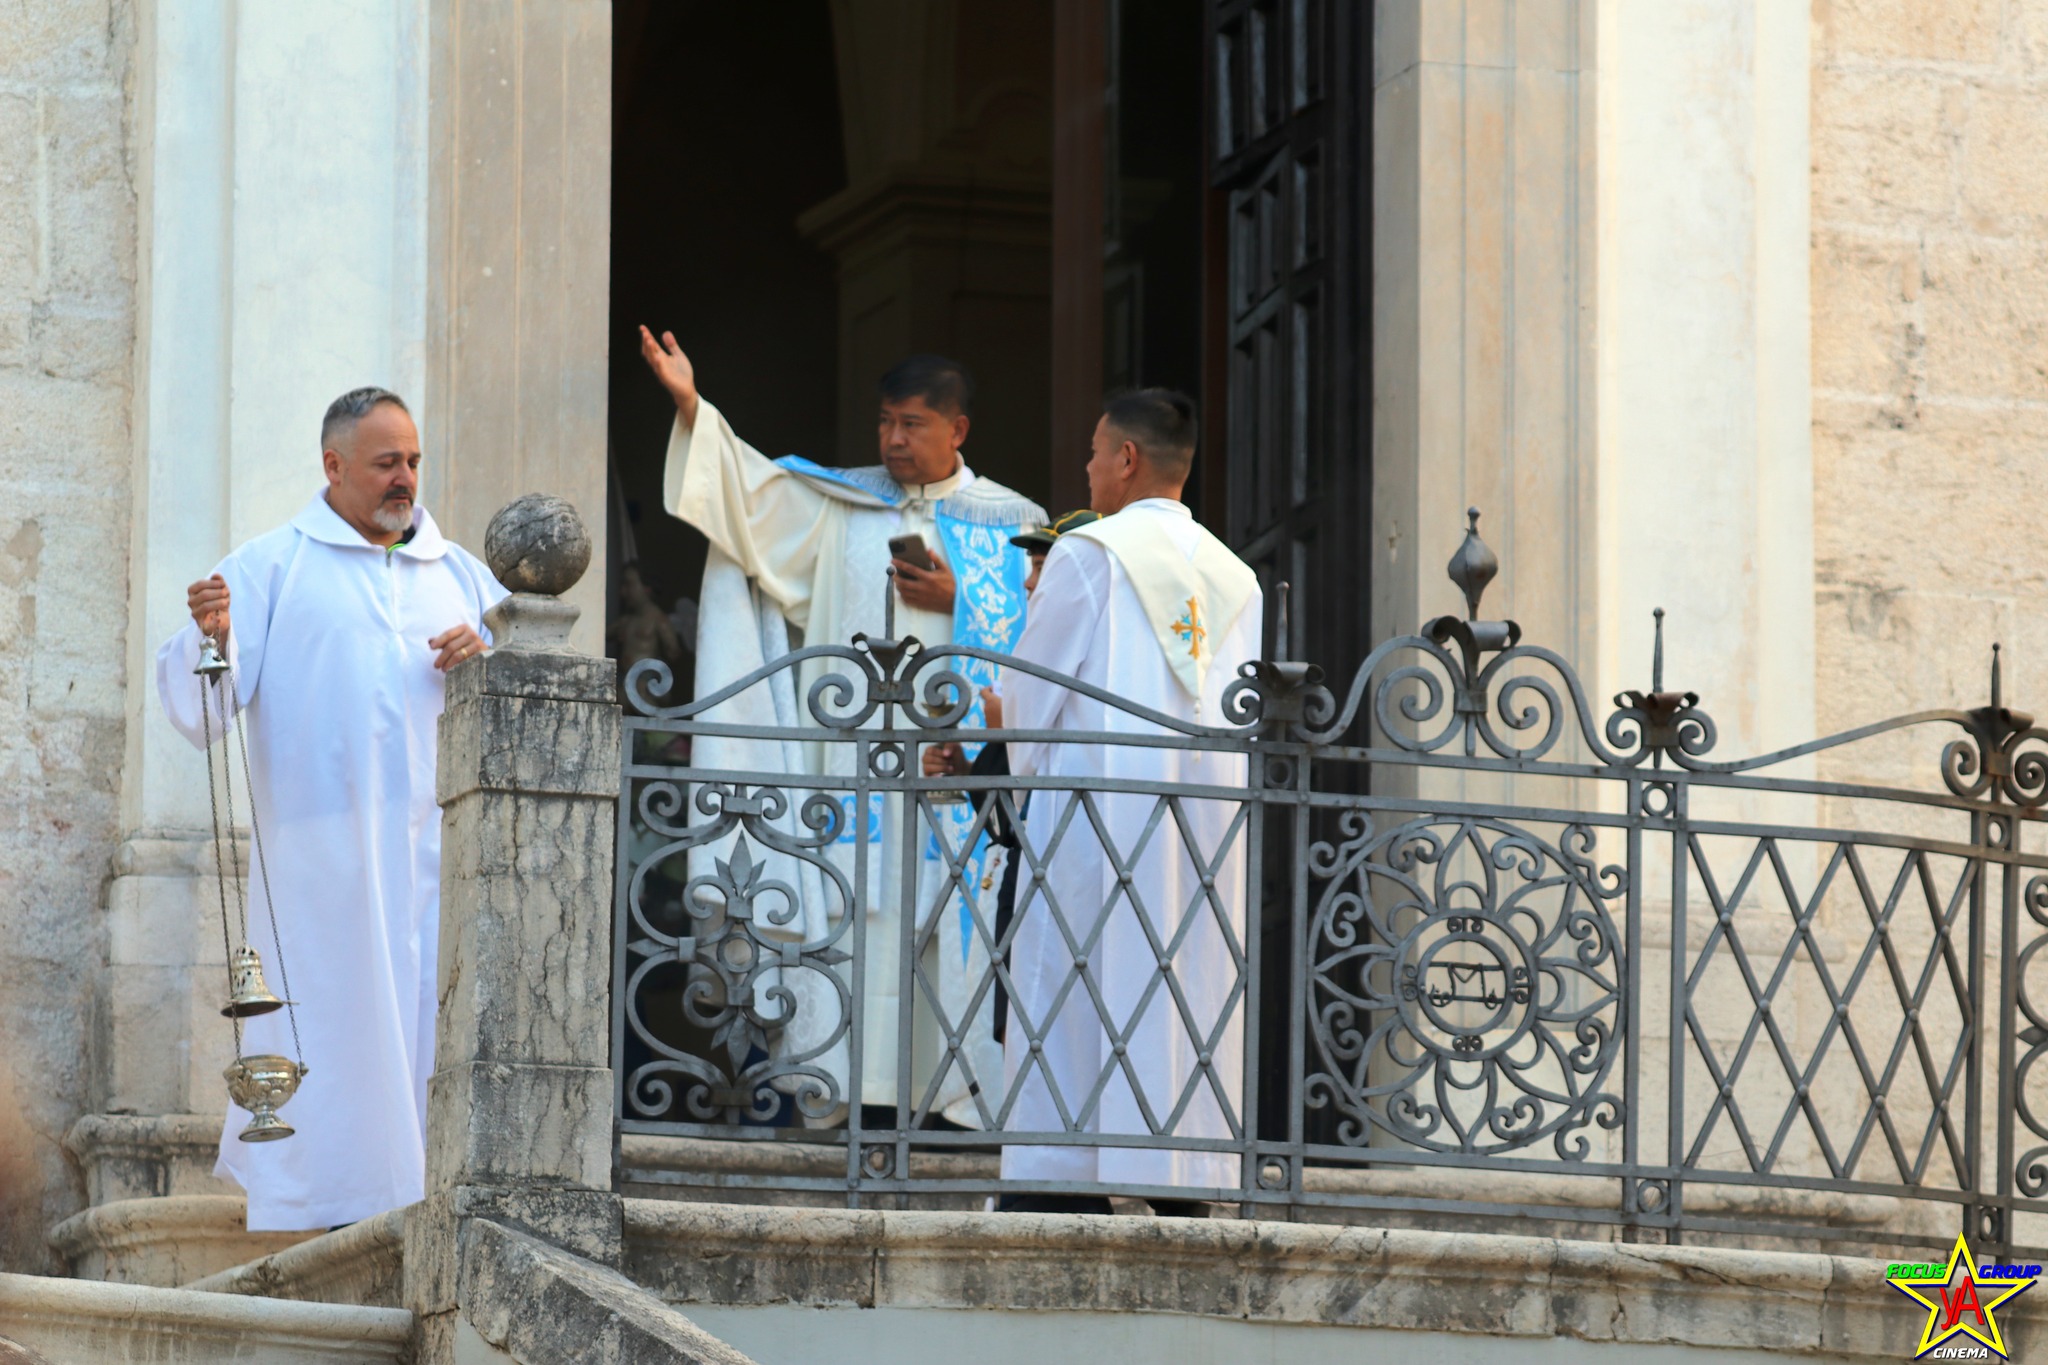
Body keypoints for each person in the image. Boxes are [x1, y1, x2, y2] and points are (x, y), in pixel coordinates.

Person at [638, 328, 1045, 1130]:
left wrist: (959, 599)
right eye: (885, 421)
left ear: (957, 429)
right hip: (851, 788)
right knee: (858, 937)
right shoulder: (841, 506)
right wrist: (692, 406)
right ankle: (853, 1101)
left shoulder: (1016, 521)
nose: (893, 439)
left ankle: (957, 1111)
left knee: (953, 942)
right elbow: (747, 503)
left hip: (956, 784)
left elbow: (1048, 643)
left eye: (913, 424)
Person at [156, 387, 506, 1231]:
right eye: (386, 463)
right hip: (322, 874)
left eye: (412, 461)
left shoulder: (461, 576)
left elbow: (529, 702)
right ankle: (324, 1211)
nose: (405, 478)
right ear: (334, 465)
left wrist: (488, 656)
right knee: (333, 1036)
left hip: (439, 861)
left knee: (434, 1028)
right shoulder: (270, 567)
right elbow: (201, 711)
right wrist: (212, 637)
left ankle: (436, 1206)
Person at [998, 390, 1261, 1216]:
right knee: (1185, 979)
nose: (1087, 467)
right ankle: (1182, 1180)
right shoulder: (1238, 577)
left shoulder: (1088, 555)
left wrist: (1023, 779)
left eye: (1093, 451)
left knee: (1074, 974)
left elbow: (1031, 692)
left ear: (1127, 459)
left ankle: (1057, 1182)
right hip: (1201, 828)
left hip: (1094, 815)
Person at [923, 510, 1100, 1045]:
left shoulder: (1097, 655)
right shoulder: (1038, 647)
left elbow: (1056, 776)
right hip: (1025, 878)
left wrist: (1006, 729)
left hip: (1068, 879)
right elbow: (1007, 817)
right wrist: (969, 769)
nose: (1027, 583)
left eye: (1043, 568)